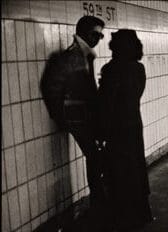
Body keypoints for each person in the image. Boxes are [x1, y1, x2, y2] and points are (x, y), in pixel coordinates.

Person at [40, 15, 108, 222]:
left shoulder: (85, 55)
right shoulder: (70, 57)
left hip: (88, 117)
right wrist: (61, 118)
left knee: (96, 158)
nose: (99, 38)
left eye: (101, 35)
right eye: (96, 34)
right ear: (84, 33)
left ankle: (100, 203)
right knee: (96, 158)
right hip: (79, 119)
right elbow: (51, 88)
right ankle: (99, 205)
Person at [96, 29, 153, 230]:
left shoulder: (111, 69)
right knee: (135, 168)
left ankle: (123, 217)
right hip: (134, 124)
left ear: (116, 46)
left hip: (116, 128)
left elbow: (106, 103)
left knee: (119, 172)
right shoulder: (138, 68)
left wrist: (100, 132)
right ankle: (140, 214)